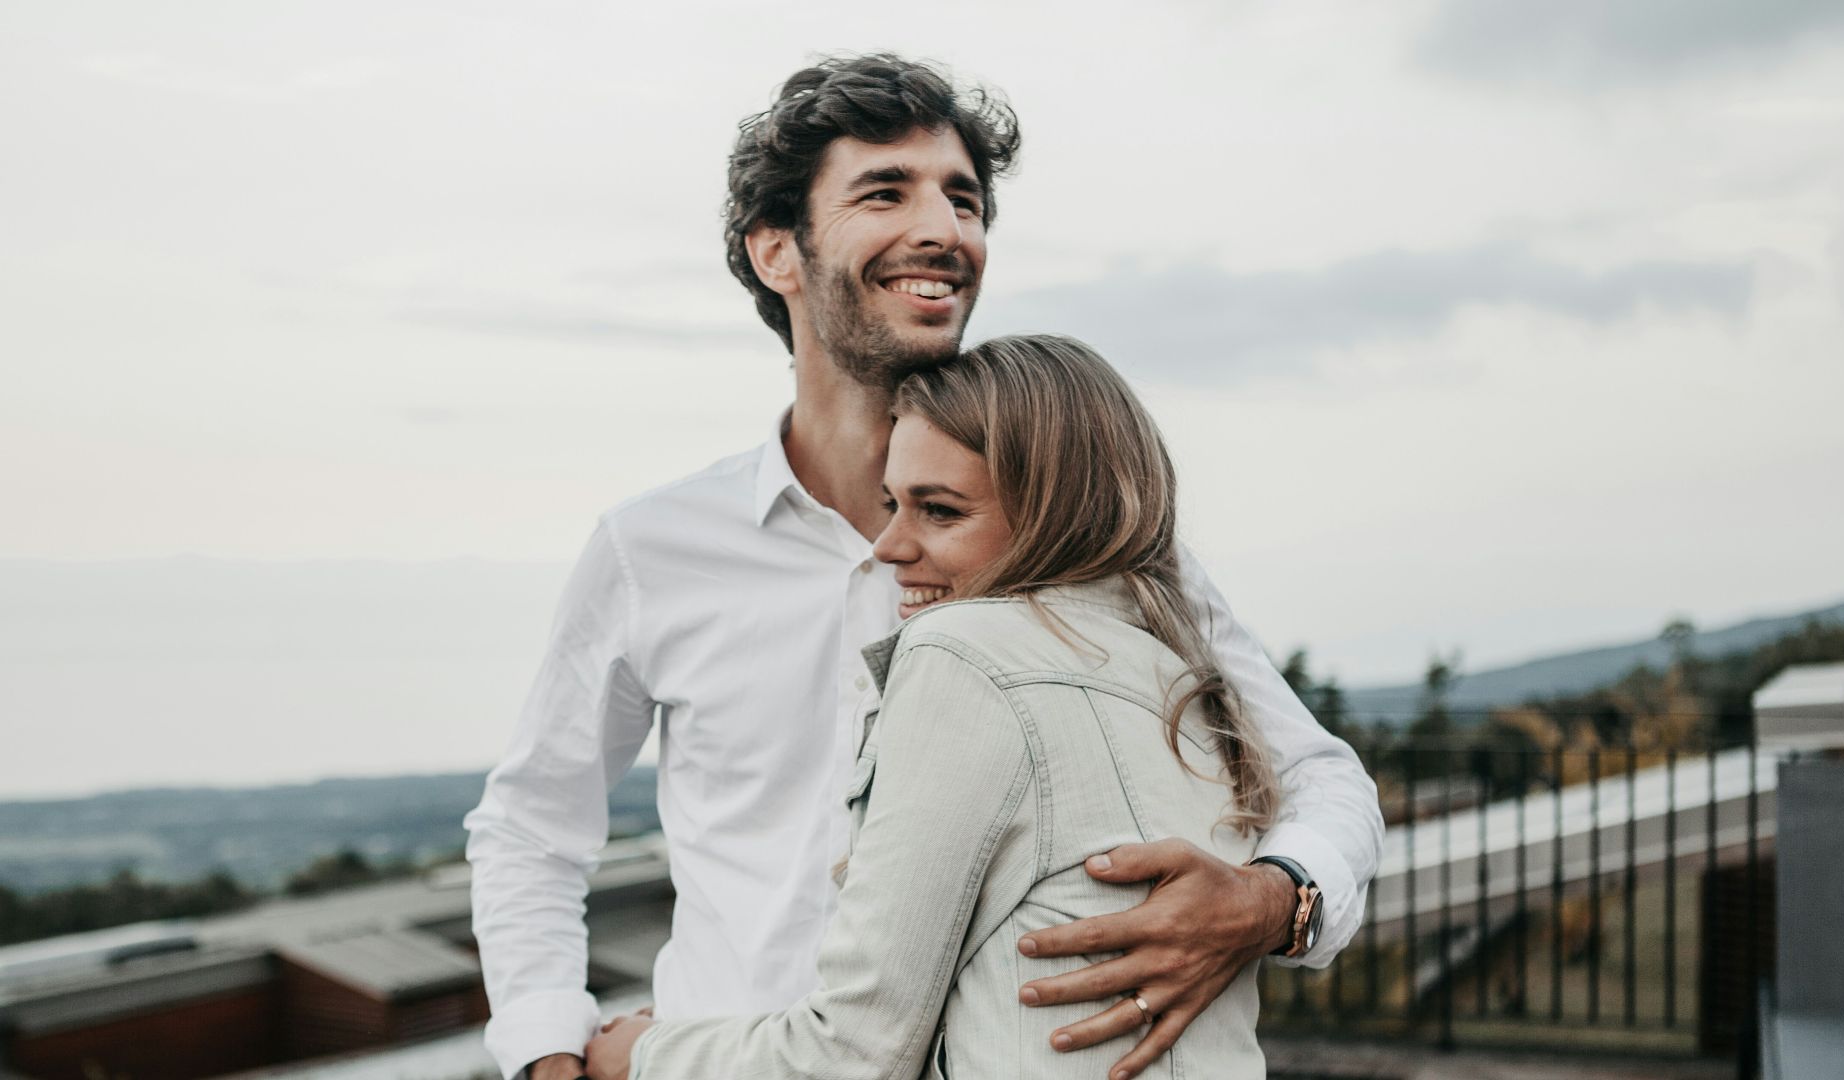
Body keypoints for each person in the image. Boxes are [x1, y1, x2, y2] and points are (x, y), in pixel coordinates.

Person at [464, 54, 1383, 1080]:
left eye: (965, 198)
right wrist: (547, 1053)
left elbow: (1318, 774)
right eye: (884, 192)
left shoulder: (1090, 533)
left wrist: (1272, 901)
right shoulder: (652, 549)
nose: (945, 229)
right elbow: (532, 830)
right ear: (778, 251)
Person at [586, 334, 1283, 1080]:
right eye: (893, 503)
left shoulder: (963, 655)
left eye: (939, 511)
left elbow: (854, 1053)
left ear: (1055, 514)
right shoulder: (1183, 674)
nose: (889, 546)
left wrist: (638, 1056)